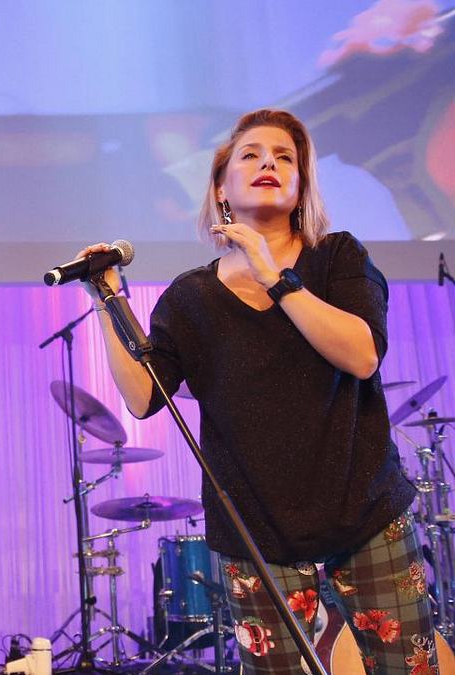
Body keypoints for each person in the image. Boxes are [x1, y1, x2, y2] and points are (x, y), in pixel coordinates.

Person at [79, 109, 438, 673]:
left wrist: (274, 275)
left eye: (284, 157)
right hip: (255, 526)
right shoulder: (191, 296)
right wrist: (108, 301)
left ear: (300, 190)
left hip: (364, 510)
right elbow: (143, 398)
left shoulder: (338, 257)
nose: (268, 162)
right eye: (250, 155)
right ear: (222, 189)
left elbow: (362, 355)